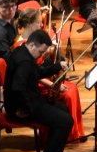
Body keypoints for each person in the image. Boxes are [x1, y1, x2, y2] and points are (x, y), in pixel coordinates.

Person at [5, 29, 74, 152]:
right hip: (21, 107)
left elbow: (38, 72)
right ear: (32, 45)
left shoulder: (22, 51)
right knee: (66, 121)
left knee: (63, 109)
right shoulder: (24, 62)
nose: (41, 55)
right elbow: (17, 88)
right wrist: (27, 110)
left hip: (29, 100)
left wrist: (58, 66)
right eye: (41, 52)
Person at [13, 8, 85, 143]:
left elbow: (37, 69)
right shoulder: (22, 51)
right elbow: (23, 83)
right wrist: (52, 84)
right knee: (67, 96)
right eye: (39, 22)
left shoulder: (30, 46)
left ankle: (67, 137)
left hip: (34, 90)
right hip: (31, 95)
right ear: (30, 25)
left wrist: (54, 59)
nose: (42, 25)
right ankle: (57, 141)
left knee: (71, 93)